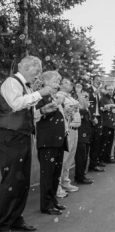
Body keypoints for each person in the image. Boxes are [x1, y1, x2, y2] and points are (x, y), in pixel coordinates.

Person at [0, 55, 54, 232]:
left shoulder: (26, 87)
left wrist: (41, 111)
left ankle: (15, 218)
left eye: (39, 71)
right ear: (24, 67)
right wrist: (41, 93)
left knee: (22, 180)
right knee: (11, 181)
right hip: (11, 137)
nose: (38, 75)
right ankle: (3, 224)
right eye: (36, 71)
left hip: (22, 136)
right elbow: (15, 104)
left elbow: (26, 112)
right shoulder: (11, 82)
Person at [36, 71, 68, 216]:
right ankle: (46, 205)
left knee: (55, 174)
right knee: (47, 175)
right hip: (48, 142)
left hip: (58, 141)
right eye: (56, 81)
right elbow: (37, 114)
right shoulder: (40, 96)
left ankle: (53, 201)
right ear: (46, 82)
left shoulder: (53, 96)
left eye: (59, 81)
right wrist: (54, 106)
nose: (58, 84)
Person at [57, 78, 81, 197]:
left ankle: (65, 182)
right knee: (63, 158)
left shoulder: (70, 96)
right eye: (66, 82)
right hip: (68, 130)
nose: (70, 84)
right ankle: (58, 185)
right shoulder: (59, 96)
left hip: (75, 130)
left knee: (70, 158)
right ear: (60, 85)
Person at [74, 88, 94, 185]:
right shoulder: (80, 108)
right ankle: (79, 177)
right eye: (84, 96)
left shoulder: (86, 109)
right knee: (81, 157)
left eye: (87, 97)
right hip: (80, 136)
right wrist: (79, 95)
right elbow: (82, 112)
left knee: (84, 156)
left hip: (86, 135)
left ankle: (82, 175)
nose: (86, 98)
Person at [87, 75, 105, 172]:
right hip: (91, 119)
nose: (98, 82)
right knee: (89, 142)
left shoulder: (100, 92)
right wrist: (92, 117)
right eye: (97, 80)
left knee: (96, 142)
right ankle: (84, 167)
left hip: (99, 118)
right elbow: (87, 103)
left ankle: (93, 165)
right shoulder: (88, 90)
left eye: (100, 80)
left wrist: (103, 108)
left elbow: (99, 105)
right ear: (92, 80)